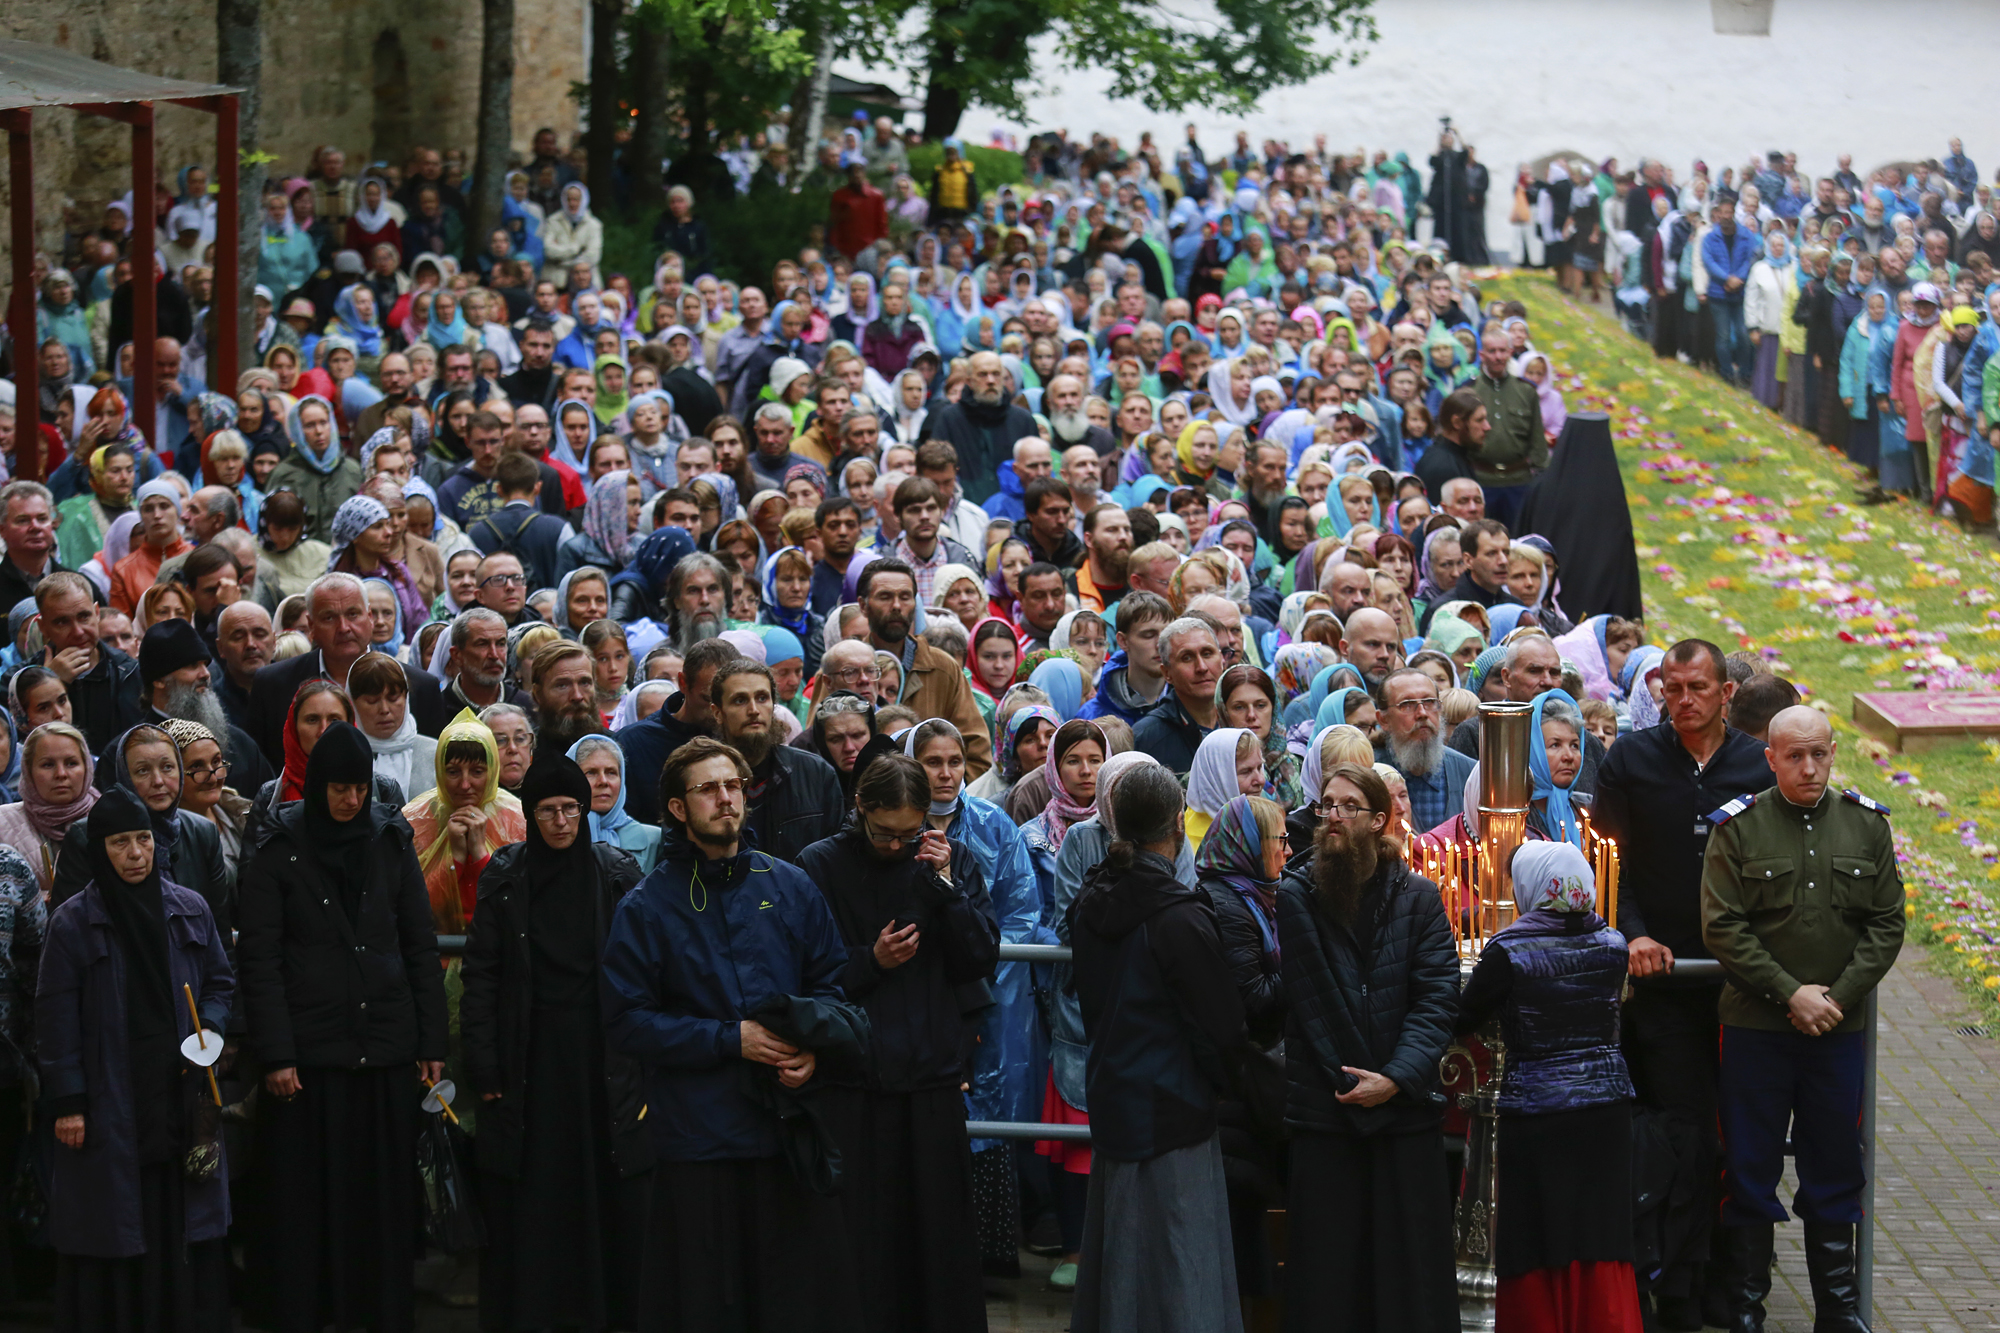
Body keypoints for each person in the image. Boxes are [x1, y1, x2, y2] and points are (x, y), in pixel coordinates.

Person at [599, 737, 863, 1332]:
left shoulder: (790, 884)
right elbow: (626, 1021)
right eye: (708, 789)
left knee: (791, 1301)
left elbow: (830, 984)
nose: (726, 799)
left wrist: (812, 1050)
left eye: (733, 786)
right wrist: (727, 1039)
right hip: (699, 1139)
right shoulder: (646, 906)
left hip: (785, 1132)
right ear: (675, 807)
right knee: (706, 1305)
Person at [236, 721, 448, 1333]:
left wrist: (430, 1041)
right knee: (303, 1203)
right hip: (307, 1060)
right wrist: (276, 1053)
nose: (351, 800)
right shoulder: (280, 847)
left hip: (382, 1050)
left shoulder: (389, 840)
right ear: (320, 784)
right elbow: (262, 958)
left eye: (359, 788)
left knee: (377, 1203)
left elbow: (417, 942)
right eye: (340, 788)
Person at [1700, 705, 1905, 1333]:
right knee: (1750, 1168)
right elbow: (1723, 927)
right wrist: (1792, 992)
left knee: (1836, 1165)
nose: (1808, 767)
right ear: (1770, 757)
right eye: (1794, 755)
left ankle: (1838, 1313)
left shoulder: (1866, 826)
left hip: (1836, 1035)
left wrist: (1834, 998)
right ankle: (1746, 1311)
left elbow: (1887, 922)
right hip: (1757, 1032)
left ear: (1834, 750)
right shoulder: (1739, 828)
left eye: (1819, 753)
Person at [1592, 639, 1772, 1329]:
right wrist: (1633, 931)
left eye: (1698, 686)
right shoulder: (1633, 757)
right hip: (1663, 982)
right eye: (1672, 687)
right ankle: (1681, 1288)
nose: (1684, 699)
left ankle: (1740, 1281)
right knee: (1687, 1133)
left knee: (1745, 1136)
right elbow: (1611, 861)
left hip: (1742, 984)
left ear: (1727, 692)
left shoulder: (1755, 765)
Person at [794, 754, 997, 1332]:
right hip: (852, 1075)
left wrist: (947, 890)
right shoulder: (820, 863)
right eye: (886, 833)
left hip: (928, 1070)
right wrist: (871, 962)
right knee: (860, 1236)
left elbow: (980, 954)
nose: (897, 846)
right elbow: (805, 971)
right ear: (860, 808)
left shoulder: (939, 861)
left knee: (935, 1235)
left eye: (911, 834)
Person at [461, 752, 651, 1333]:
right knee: (537, 1188)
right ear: (530, 814)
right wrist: (485, 1068)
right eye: (549, 810)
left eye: (572, 808)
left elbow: (646, 969)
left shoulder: (616, 872)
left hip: (602, 1055)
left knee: (604, 1181)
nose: (563, 821)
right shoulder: (506, 875)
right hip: (531, 1055)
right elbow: (482, 978)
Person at [38, 786, 234, 1333]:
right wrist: (69, 1100)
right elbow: (54, 1018)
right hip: (110, 1097)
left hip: (179, 1090)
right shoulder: (75, 922)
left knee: (181, 1206)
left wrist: (211, 1028)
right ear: (100, 849)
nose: (134, 854)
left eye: (143, 839)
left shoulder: (188, 908)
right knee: (116, 1213)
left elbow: (220, 981)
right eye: (120, 843)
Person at [1277, 762, 1460, 1333]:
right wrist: (1361, 1084)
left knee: (1410, 1283)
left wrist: (1397, 1079)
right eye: (1327, 804)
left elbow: (1436, 999)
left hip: (1402, 1116)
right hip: (1328, 1113)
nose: (1333, 816)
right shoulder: (1296, 894)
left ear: (1380, 820)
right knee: (1328, 1282)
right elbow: (1314, 1004)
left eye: (1349, 806)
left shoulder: (1420, 898)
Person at [1068, 761, 1248, 1333]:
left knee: (1122, 1254)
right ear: (1177, 822)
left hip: (1116, 1091)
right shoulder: (1177, 917)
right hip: (1175, 1107)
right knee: (1179, 1261)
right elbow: (1220, 1028)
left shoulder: (1093, 900)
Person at [1455, 840, 1643, 1333]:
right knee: (1600, 1238)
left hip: (1538, 1115)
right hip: (1606, 1113)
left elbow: (1463, 1016)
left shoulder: (1510, 953)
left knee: (1539, 1239)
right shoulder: (1614, 945)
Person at [1192, 792, 1289, 1301]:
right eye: (1279, 840)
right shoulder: (1228, 903)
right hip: (1241, 1088)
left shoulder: (1255, 894)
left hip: (1251, 1086)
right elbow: (1254, 1001)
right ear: (1247, 846)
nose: (1288, 852)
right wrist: (1306, 958)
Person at [52, 724, 230, 937]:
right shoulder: (87, 836)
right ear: (124, 777)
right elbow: (68, 932)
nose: (158, 781)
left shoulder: (203, 832)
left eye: (167, 767)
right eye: (143, 771)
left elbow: (219, 932)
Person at [403, 708, 527, 939]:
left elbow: (516, 908)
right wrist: (456, 857)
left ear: (492, 771)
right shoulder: (415, 820)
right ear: (439, 771)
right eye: (453, 772)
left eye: (477, 772)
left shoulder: (517, 818)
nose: (465, 784)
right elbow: (416, 911)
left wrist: (480, 853)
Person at [0, 720, 98, 897]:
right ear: (28, 771)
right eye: (48, 765)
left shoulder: (108, 818)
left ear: (87, 766)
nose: (61, 774)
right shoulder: (3, 823)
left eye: (71, 763)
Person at [1374, 667, 1474, 829]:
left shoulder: (1469, 773)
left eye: (1429, 702)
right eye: (1407, 705)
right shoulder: (1369, 773)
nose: (1422, 713)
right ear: (1383, 720)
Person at [1130, 616, 1222, 776]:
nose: (1201, 667)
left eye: (1207, 654)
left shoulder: (1245, 721)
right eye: (1186, 657)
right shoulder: (1145, 739)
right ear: (1166, 673)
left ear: (1222, 660)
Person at [569, 734, 662, 874]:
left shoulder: (654, 840)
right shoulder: (558, 834)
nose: (603, 781)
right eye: (591, 773)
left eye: (611, 772)